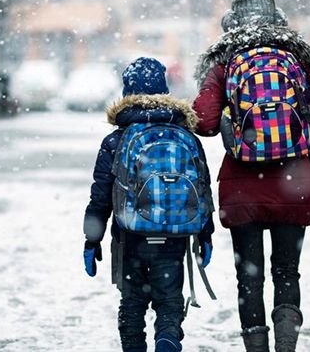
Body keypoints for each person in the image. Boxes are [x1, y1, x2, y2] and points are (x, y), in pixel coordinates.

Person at [192, 0, 310, 351]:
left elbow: (204, 123)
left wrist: (228, 115)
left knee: (249, 278)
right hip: (295, 181)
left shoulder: (226, 63)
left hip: (243, 187)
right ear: (277, 17)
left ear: (232, 20)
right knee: (287, 271)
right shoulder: (297, 61)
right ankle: (286, 345)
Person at [82, 57, 215, 352]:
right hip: (174, 236)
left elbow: (100, 195)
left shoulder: (117, 139)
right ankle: (167, 339)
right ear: (164, 90)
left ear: (127, 92)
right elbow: (203, 189)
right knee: (169, 301)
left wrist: (92, 240)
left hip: (131, 237)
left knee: (132, 303)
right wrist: (206, 234)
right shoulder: (186, 136)